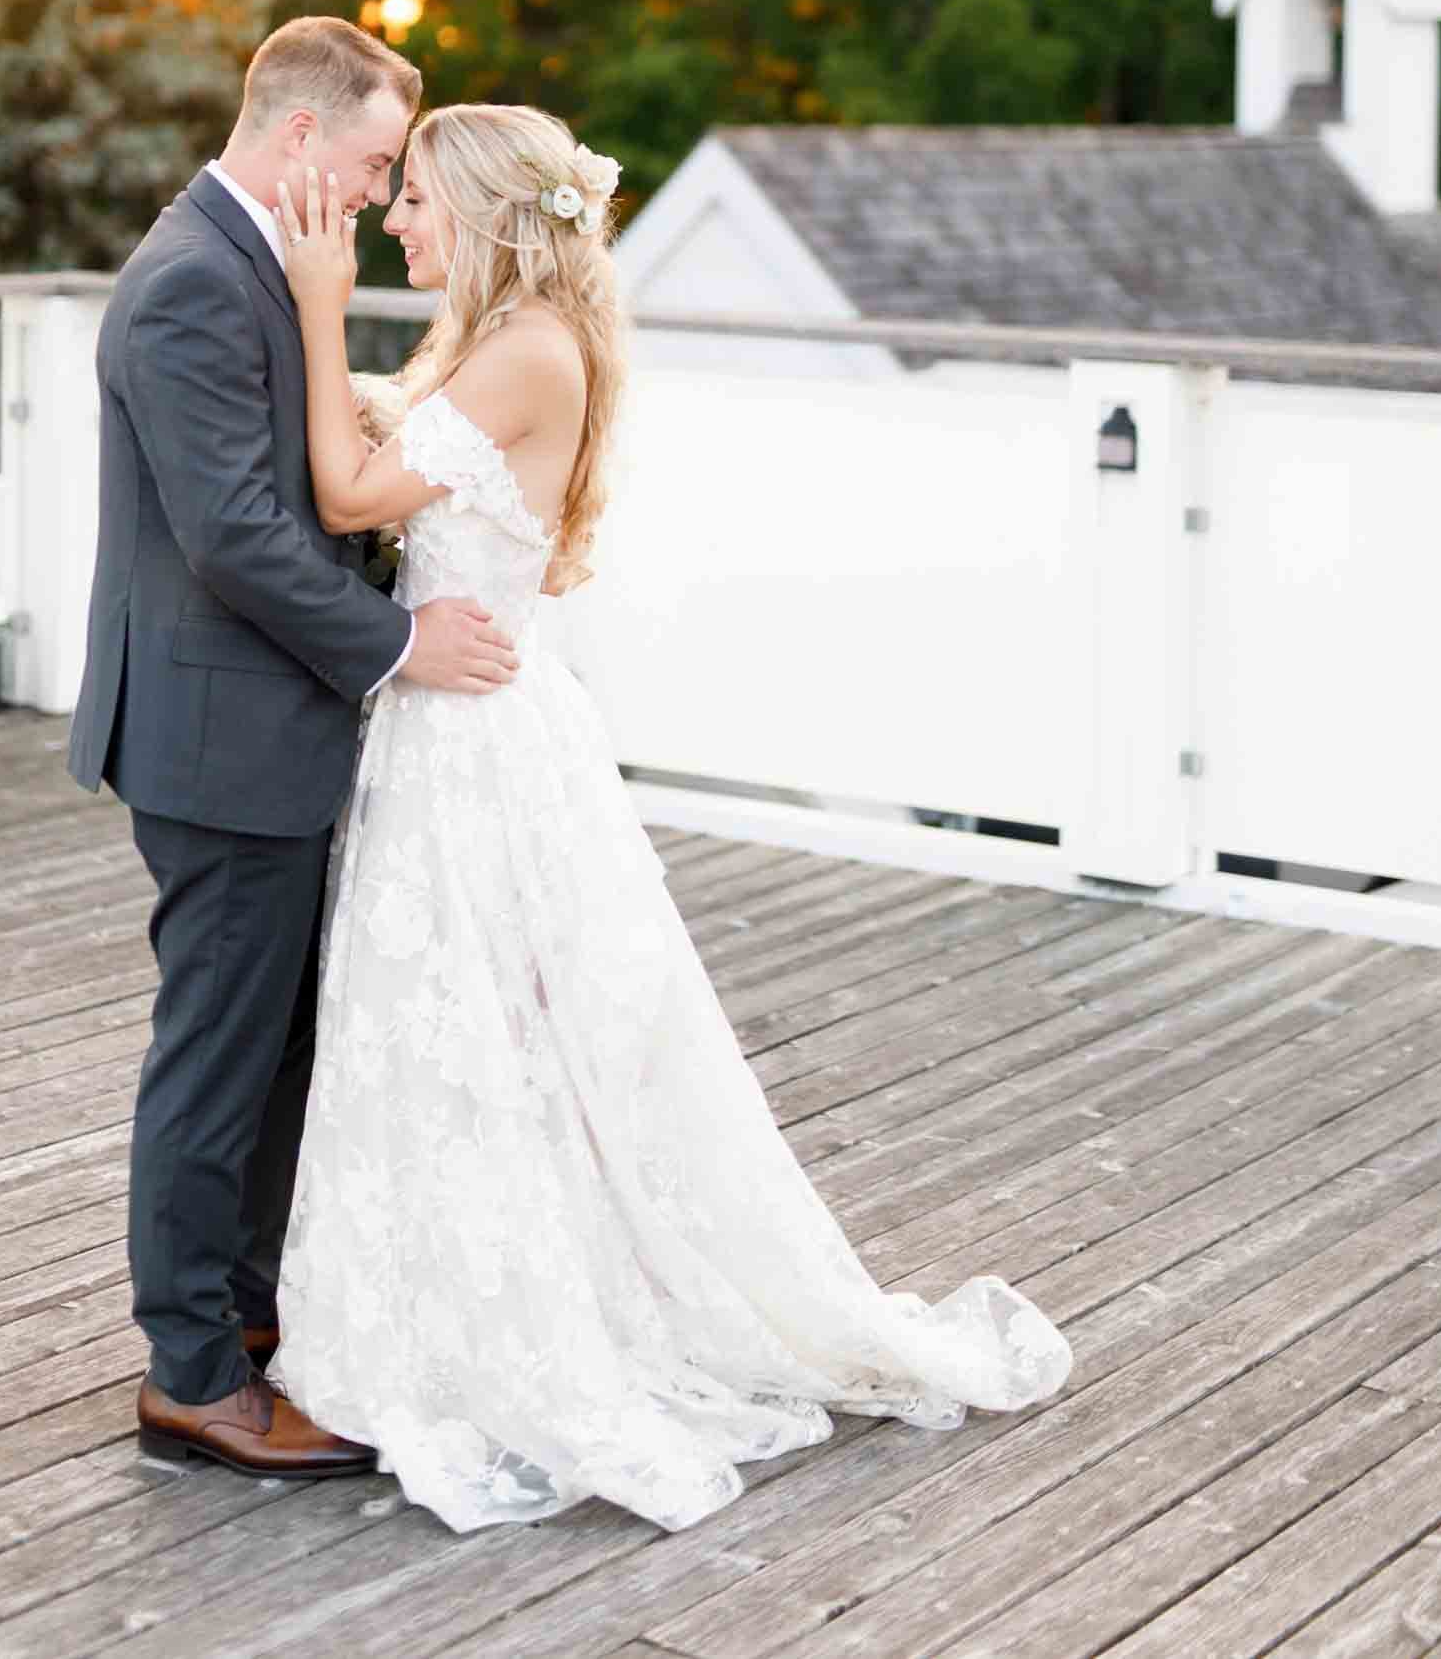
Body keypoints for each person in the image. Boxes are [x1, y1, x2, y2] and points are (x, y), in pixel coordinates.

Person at [268, 101, 1073, 1533]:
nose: (395, 221)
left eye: (416, 204)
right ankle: (462, 1290)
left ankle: (506, 1322)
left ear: (487, 213)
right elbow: (429, 462)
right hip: (474, 721)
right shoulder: (510, 344)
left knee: (478, 1023)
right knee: (468, 1028)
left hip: (475, 741)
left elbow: (342, 487)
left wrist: (321, 311)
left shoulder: (521, 354)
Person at [68, 20, 521, 1478]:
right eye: (384, 158)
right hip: (218, 736)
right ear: (307, 139)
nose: (390, 189)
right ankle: (192, 1375)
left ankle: (251, 1323)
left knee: (277, 1048)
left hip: (271, 727)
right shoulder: (193, 283)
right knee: (218, 1056)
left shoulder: (260, 264)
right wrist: (399, 646)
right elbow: (236, 536)